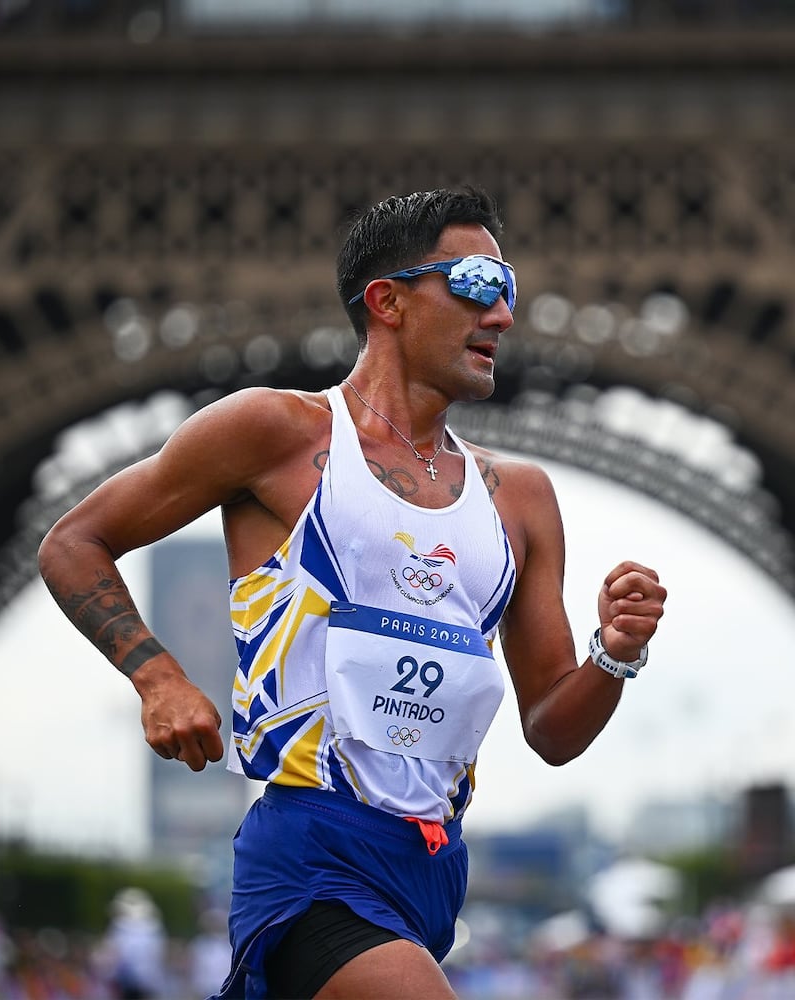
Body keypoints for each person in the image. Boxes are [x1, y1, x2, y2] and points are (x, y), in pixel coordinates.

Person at [38, 186, 667, 1000]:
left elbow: (551, 729)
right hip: (311, 847)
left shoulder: (521, 499)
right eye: (478, 284)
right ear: (388, 301)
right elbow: (72, 542)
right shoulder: (277, 434)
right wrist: (155, 676)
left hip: (435, 866)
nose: (504, 314)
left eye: (509, 288)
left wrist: (614, 654)